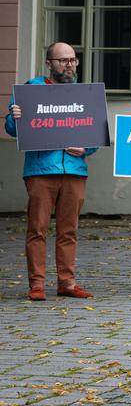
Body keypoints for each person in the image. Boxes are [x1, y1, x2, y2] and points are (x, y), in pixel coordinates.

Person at [5, 42, 96, 301]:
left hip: (74, 170)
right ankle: (37, 284)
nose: (69, 64)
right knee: (37, 228)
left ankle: (67, 283)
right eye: (63, 60)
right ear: (49, 63)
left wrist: (86, 149)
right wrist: (15, 116)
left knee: (69, 230)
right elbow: (12, 129)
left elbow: (95, 132)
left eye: (73, 60)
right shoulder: (31, 90)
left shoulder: (84, 94)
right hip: (41, 170)